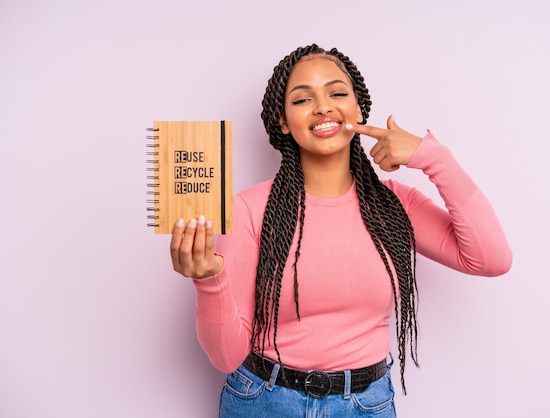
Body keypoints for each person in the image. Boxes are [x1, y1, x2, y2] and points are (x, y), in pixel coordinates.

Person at [169, 44, 512, 417]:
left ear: (358, 108)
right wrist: (208, 280)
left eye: (336, 93)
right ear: (283, 121)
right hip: (264, 401)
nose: (323, 107)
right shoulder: (249, 208)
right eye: (302, 99)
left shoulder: (396, 206)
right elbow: (225, 357)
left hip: (365, 405)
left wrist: (432, 157)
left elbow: (491, 259)